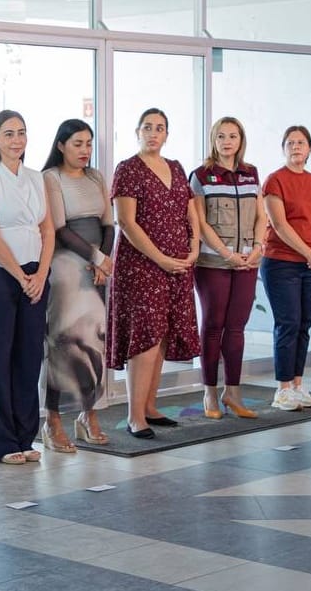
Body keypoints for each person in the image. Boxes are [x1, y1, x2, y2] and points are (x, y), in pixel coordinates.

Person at [107, 108, 200, 439]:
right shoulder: (128, 169)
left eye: (159, 128)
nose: (153, 133)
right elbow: (126, 222)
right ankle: (135, 416)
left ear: (167, 135)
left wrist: (194, 247)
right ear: (137, 132)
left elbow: (191, 212)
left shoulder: (176, 167)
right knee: (144, 337)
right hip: (141, 266)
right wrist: (161, 258)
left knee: (162, 334)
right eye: (147, 127)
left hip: (177, 266)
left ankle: (149, 406)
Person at [0, 110, 55, 464]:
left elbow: (48, 229)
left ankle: (25, 437)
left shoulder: (37, 178)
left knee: (28, 358)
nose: (16, 140)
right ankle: (4, 443)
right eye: (8, 134)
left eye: (21, 132)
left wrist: (41, 274)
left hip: (36, 274)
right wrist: (21, 277)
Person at [40, 119, 114, 451]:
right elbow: (59, 228)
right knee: (63, 340)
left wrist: (104, 262)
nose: (84, 150)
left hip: (98, 268)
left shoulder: (96, 177)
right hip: (66, 265)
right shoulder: (51, 178)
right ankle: (52, 419)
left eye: (88, 143)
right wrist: (97, 258)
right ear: (61, 146)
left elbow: (109, 223)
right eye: (77, 144)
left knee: (96, 341)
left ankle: (88, 413)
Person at [189, 117, 266, 419]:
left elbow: (260, 215)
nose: (227, 142)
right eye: (221, 136)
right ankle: (209, 392)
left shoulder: (251, 173)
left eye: (233, 136)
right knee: (213, 326)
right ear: (213, 140)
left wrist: (257, 247)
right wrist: (225, 253)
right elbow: (200, 221)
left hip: (247, 261)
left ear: (241, 140)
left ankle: (232, 392)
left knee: (236, 328)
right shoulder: (201, 176)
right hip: (213, 262)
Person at [260, 125, 311, 412]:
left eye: (301, 142)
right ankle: (283, 389)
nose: (296, 147)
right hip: (282, 263)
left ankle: (298, 385)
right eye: (290, 143)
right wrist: (309, 254)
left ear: (310, 148)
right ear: (283, 148)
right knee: (287, 323)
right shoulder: (275, 180)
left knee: (304, 325)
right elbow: (280, 225)